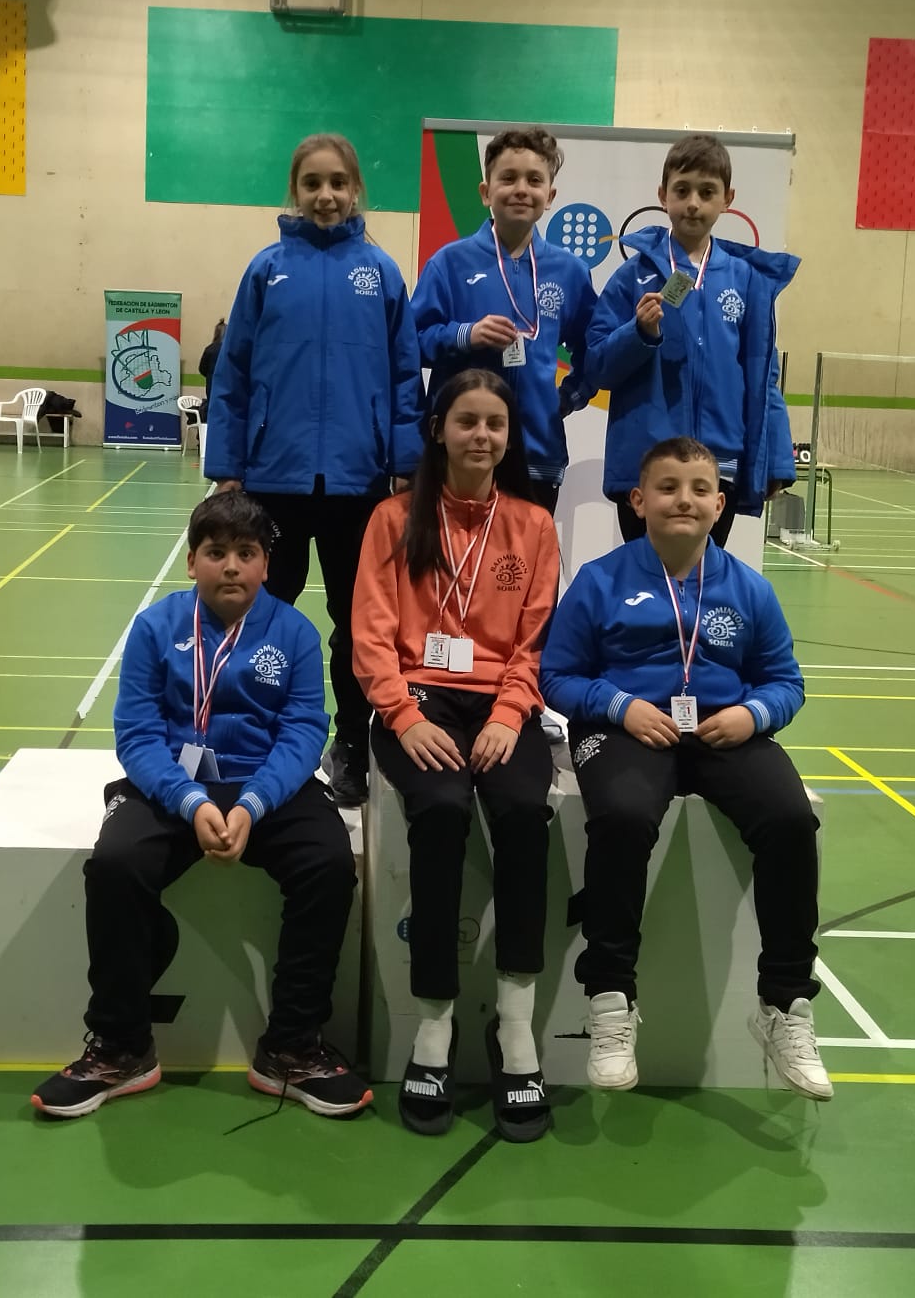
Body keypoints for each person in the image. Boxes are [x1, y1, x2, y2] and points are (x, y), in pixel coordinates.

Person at [31, 491, 371, 1121]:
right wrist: (189, 801)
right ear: (192, 563)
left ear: (268, 564)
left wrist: (250, 806)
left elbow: (303, 731)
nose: (233, 567)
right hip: (173, 788)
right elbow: (135, 732)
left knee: (328, 863)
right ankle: (122, 1045)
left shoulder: (294, 632)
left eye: (247, 553)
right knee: (115, 865)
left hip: (267, 789)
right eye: (217, 553)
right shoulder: (156, 627)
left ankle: (291, 1046)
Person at [539, 437, 829, 1101]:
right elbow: (556, 675)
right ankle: (610, 997)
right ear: (639, 501)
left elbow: (786, 681)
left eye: (699, 489)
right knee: (621, 816)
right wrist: (619, 705)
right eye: (667, 488)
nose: (684, 500)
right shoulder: (601, 581)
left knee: (790, 819)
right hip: (625, 729)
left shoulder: (748, 590)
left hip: (722, 734)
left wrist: (753, 715)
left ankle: (785, 1004)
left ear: (720, 503)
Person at [351, 370, 560, 1142]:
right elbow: (369, 635)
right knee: (439, 811)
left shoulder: (534, 525)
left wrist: (510, 714)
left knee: (522, 812)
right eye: (467, 421)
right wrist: (403, 718)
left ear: (511, 437)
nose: (482, 436)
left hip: (499, 703)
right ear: (439, 429)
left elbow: (535, 638)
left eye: (496, 424)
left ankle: (514, 1028)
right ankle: (432, 1026)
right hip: (419, 697)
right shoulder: (393, 519)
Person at [205, 132, 425, 807]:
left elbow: (402, 376)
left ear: (356, 189)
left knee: (356, 623)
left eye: (338, 182)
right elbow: (233, 373)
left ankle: (351, 744)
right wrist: (229, 466)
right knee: (258, 616)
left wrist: (406, 464)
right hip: (273, 478)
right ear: (294, 192)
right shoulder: (267, 270)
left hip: (357, 485)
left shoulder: (382, 273)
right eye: (312, 183)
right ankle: (253, 737)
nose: (326, 195)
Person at [585, 133, 799, 547]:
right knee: (646, 590)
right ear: (663, 195)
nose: (693, 203)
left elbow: (762, 377)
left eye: (707, 192)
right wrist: (638, 334)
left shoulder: (748, 281)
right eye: (682, 191)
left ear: (728, 198)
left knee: (704, 589)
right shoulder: (633, 278)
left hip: (719, 469)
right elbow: (596, 367)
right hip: (649, 465)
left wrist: (776, 459)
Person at [411, 127, 597, 514]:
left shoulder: (569, 271)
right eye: (508, 178)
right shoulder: (449, 263)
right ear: (485, 192)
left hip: (537, 451)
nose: (521, 189)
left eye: (534, 180)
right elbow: (411, 342)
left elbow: (594, 347)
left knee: (525, 568)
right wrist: (466, 335)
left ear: (550, 196)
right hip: (460, 451)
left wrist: (569, 397)